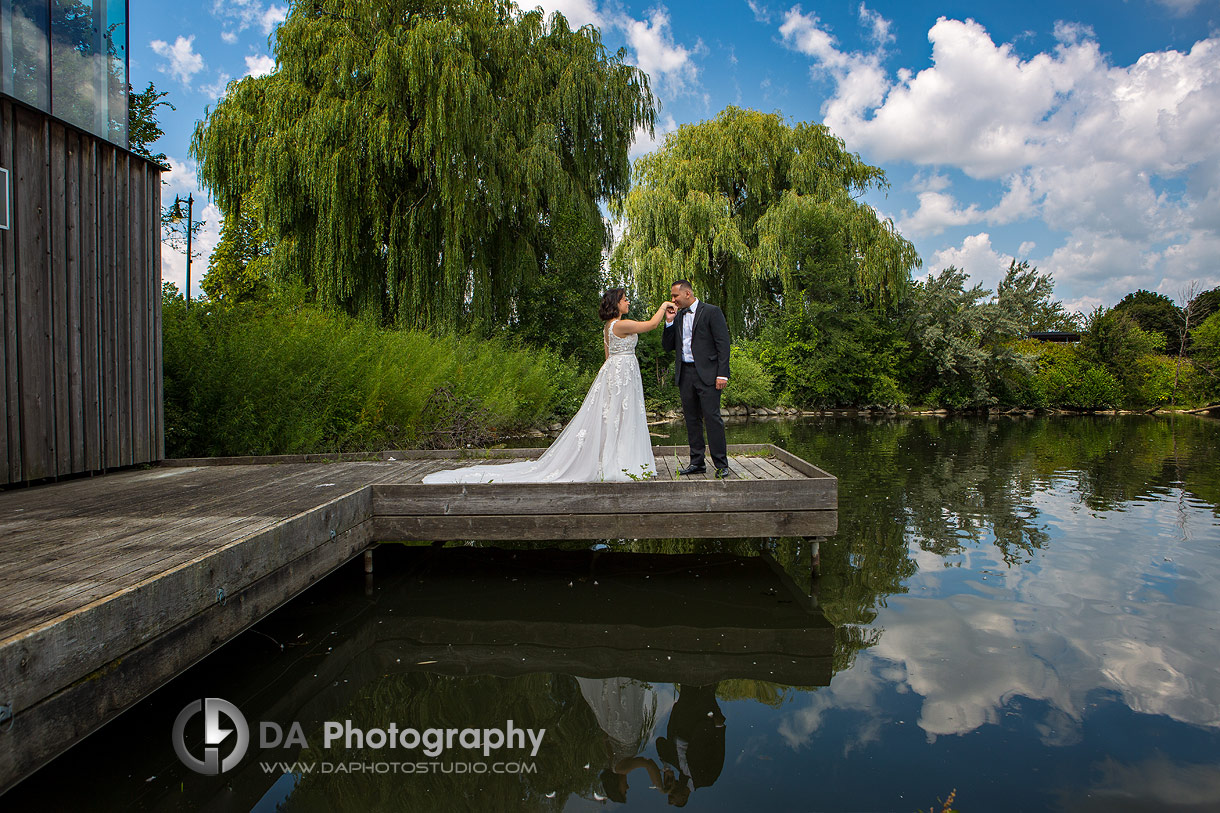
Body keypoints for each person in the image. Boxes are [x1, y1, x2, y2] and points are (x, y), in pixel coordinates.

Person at [421, 289, 675, 483]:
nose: (628, 302)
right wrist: (664, 305)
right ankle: (619, 463)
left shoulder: (607, 327)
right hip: (622, 373)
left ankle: (617, 460)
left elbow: (607, 357)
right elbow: (651, 325)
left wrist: (614, 376)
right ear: (615, 304)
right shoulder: (619, 324)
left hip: (619, 373)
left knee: (618, 418)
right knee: (619, 418)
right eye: (624, 299)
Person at [662, 280, 731, 478]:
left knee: (712, 418)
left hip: (709, 374)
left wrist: (722, 373)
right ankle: (697, 462)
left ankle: (721, 464)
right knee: (691, 420)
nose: (672, 299)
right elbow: (667, 346)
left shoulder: (711, 311)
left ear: (687, 294)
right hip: (685, 374)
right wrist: (669, 322)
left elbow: (723, 344)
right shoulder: (678, 315)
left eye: (675, 296)